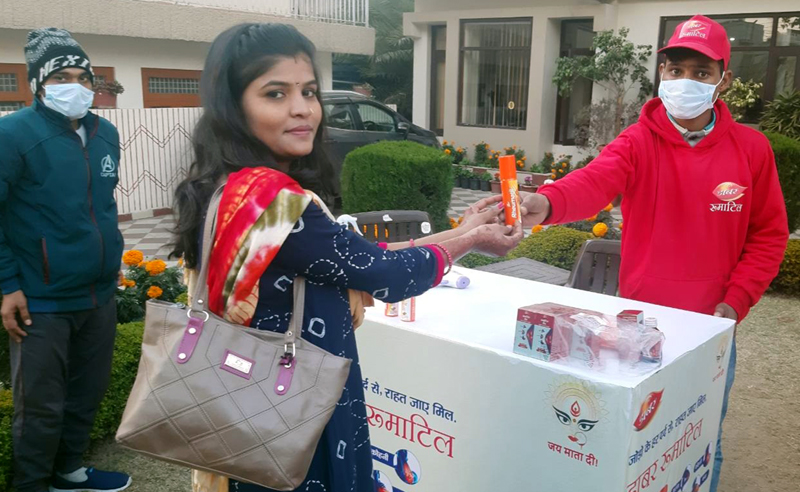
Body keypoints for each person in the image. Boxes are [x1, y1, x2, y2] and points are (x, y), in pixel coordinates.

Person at [171, 23, 522, 492]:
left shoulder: (231, 189)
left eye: (309, 92)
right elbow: (387, 276)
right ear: (233, 108)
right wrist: (471, 241)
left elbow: (356, 256)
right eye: (275, 93)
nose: (303, 109)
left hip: (254, 398)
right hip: (294, 411)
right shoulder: (273, 204)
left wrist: (459, 231)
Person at [518, 15, 789, 492]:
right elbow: (594, 181)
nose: (686, 82)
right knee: (637, 445)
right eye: (675, 69)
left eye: (701, 73)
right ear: (661, 73)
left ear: (723, 80)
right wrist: (544, 203)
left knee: (702, 437)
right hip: (640, 328)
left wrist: (735, 302)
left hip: (712, 327)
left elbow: (768, 234)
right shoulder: (638, 141)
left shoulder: (751, 150)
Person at [0, 28, 131, 492]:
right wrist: (7, 285)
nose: (74, 86)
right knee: (39, 404)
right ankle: (31, 484)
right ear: (37, 83)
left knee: (86, 393)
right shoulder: (12, 134)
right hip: (41, 298)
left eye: (82, 77)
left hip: (98, 294)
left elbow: (102, 206)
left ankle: (68, 471)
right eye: (60, 77)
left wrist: (110, 257)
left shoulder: (105, 133)